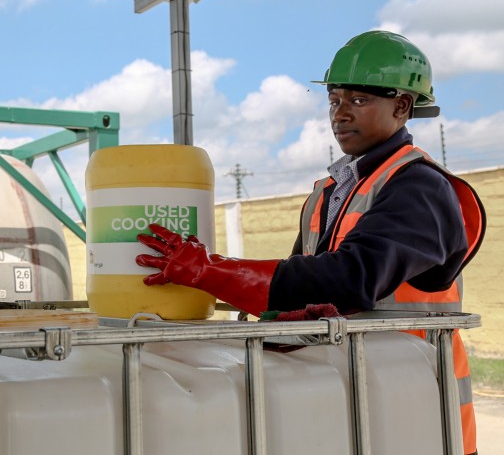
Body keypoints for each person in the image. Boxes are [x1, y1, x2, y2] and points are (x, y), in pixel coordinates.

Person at [135, 30, 486, 455]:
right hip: (349, 398)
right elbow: (297, 292)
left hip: (417, 408)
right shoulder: (330, 191)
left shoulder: (420, 188)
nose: (340, 113)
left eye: (359, 100)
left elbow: (350, 279)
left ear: (401, 106)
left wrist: (209, 270)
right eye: (334, 100)